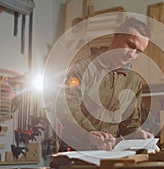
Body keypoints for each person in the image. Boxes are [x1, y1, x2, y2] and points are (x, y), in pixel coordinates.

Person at [61, 17, 153, 151]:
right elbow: (66, 108)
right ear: (117, 35)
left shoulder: (134, 81)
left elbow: (129, 123)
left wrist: (137, 133)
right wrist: (89, 133)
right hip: (76, 152)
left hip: (109, 154)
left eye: (138, 51)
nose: (132, 55)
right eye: (131, 45)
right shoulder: (83, 68)